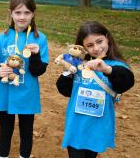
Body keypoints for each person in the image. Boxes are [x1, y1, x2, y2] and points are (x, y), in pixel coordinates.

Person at [56, 21, 135, 158]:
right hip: (76, 124)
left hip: (98, 126)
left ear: (107, 38)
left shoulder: (116, 66)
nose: (97, 48)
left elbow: (126, 82)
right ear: (83, 47)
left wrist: (107, 69)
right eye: (90, 45)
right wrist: (69, 72)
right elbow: (64, 90)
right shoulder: (80, 64)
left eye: (100, 41)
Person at [0, 0, 49, 158]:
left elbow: (38, 71)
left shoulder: (40, 39)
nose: (22, 17)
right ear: (10, 14)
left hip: (27, 94)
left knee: (26, 131)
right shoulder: (1, 39)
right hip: (6, 93)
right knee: (5, 131)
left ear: (33, 14)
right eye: (17, 12)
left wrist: (36, 55)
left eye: (26, 13)